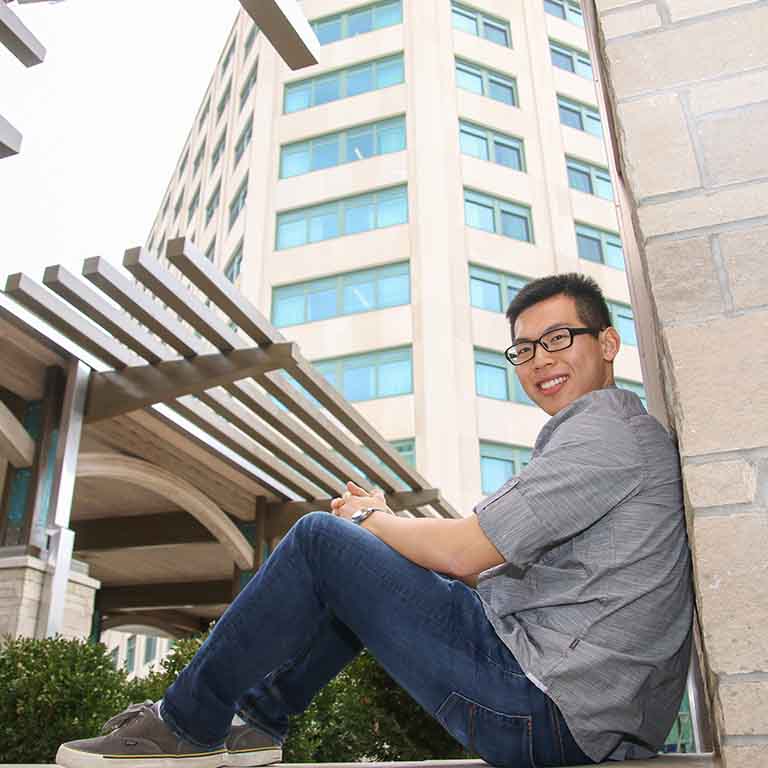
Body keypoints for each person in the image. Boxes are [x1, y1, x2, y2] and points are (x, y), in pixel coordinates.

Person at [57, 273, 693, 768]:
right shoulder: (606, 437)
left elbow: (465, 552)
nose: (540, 361)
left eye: (559, 340)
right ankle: (257, 724)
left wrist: (369, 518)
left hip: (546, 707)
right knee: (363, 563)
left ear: (607, 343)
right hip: (573, 709)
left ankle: (184, 725)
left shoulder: (605, 437)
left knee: (319, 539)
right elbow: (474, 562)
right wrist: (382, 535)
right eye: (524, 349)